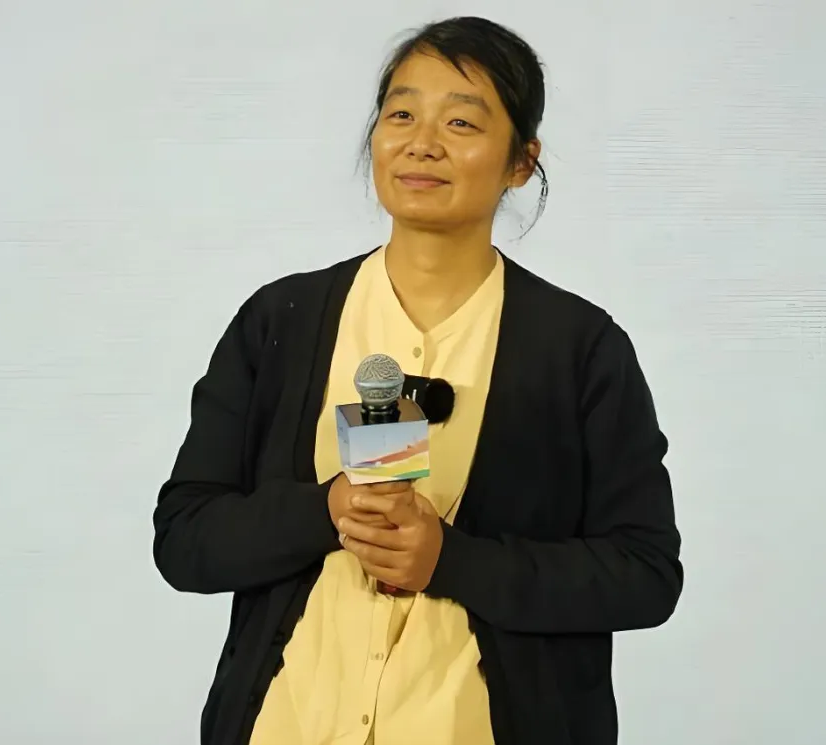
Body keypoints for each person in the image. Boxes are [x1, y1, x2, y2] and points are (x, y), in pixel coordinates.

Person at [153, 15, 683, 745]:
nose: (422, 142)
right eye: (401, 114)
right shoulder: (281, 321)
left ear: (521, 162)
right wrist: (327, 509)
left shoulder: (580, 348)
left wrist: (451, 561)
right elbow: (185, 539)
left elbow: (645, 574)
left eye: (461, 122)